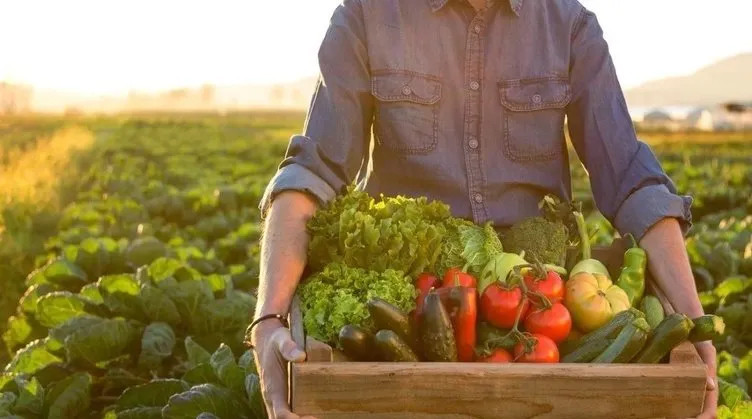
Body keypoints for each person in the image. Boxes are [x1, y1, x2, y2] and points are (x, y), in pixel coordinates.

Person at [248, 1, 717, 418]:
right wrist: (268, 318)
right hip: (406, 306)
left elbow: (631, 176)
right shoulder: (367, 15)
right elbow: (312, 172)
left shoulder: (569, 25)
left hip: (538, 306)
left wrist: (695, 325)